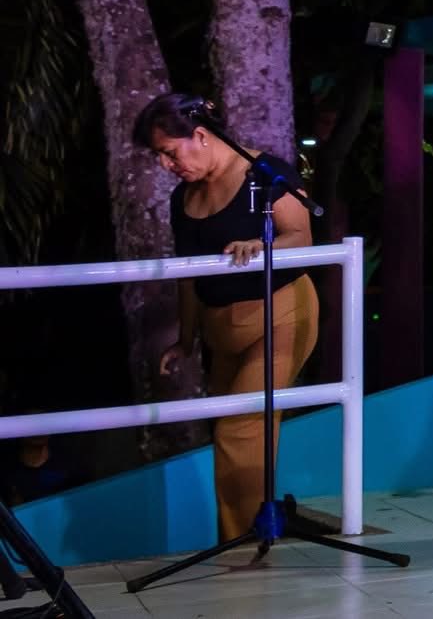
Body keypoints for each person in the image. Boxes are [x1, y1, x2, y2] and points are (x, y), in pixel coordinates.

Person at [135, 92, 318, 543]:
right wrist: (186, 339)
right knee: (232, 428)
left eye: (169, 153)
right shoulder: (183, 198)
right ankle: (244, 536)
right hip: (220, 327)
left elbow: (303, 237)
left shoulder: (264, 174)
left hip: (278, 312)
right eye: (159, 157)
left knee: (241, 428)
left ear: (200, 135)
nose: (166, 166)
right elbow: (188, 275)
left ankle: (246, 544)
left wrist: (262, 246)